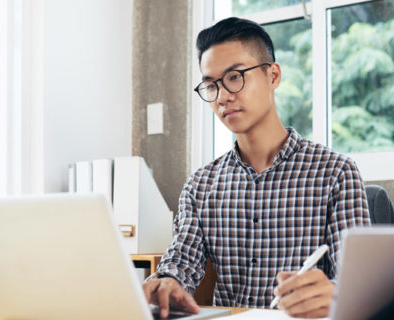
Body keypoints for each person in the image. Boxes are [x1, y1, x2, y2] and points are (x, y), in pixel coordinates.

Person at [142, 17, 370, 319]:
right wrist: (166, 282)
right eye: (211, 85)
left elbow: (362, 286)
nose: (223, 96)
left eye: (235, 76)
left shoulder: (336, 173)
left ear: (273, 75)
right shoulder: (200, 186)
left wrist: (337, 295)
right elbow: (180, 262)